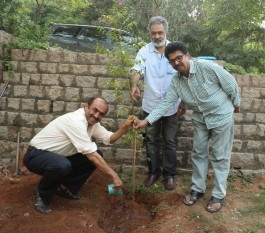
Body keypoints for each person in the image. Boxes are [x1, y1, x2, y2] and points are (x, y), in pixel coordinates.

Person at [134, 41, 241, 213]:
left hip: (221, 116)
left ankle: (218, 194)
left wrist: (236, 103)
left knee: (220, 156)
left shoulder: (206, 67)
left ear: (187, 56)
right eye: (172, 61)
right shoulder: (176, 81)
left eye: (179, 58)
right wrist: (146, 121)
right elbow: (165, 104)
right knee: (198, 153)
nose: (176, 62)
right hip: (200, 118)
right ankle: (197, 189)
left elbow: (230, 83)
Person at [23, 97, 134, 214]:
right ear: (86, 106)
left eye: (101, 114)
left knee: (95, 154)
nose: (97, 116)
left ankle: (65, 187)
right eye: (95, 110)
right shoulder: (75, 121)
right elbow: (92, 156)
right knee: (65, 164)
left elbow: (109, 138)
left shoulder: (92, 124)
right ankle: (41, 194)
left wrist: (125, 126)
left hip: (56, 156)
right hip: (35, 155)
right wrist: (114, 175)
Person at [129, 16, 184, 190]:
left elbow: (184, 74)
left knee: (170, 141)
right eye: (153, 33)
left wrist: (184, 102)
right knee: (151, 140)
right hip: (150, 106)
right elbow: (136, 69)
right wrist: (134, 84)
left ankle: (169, 175)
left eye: (160, 32)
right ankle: (153, 172)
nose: (157, 36)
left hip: (171, 107)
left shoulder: (174, 51)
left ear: (166, 32)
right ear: (150, 33)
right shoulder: (144, 51)